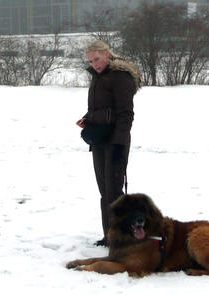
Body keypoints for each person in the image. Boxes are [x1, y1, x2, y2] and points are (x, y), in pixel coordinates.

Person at [76, 40, 141, 247]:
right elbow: (102, 107)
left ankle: (123, 237)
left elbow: (125, 114)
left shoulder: (120, 76)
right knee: (105, 192)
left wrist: (118, 145)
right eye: (90, 61)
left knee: (114, 192)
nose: (94, 63)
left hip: (115, 142)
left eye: (97, 59)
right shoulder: (99, 76)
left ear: (106, 54)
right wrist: (88, 118)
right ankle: (110, 236)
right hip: (100, 140)